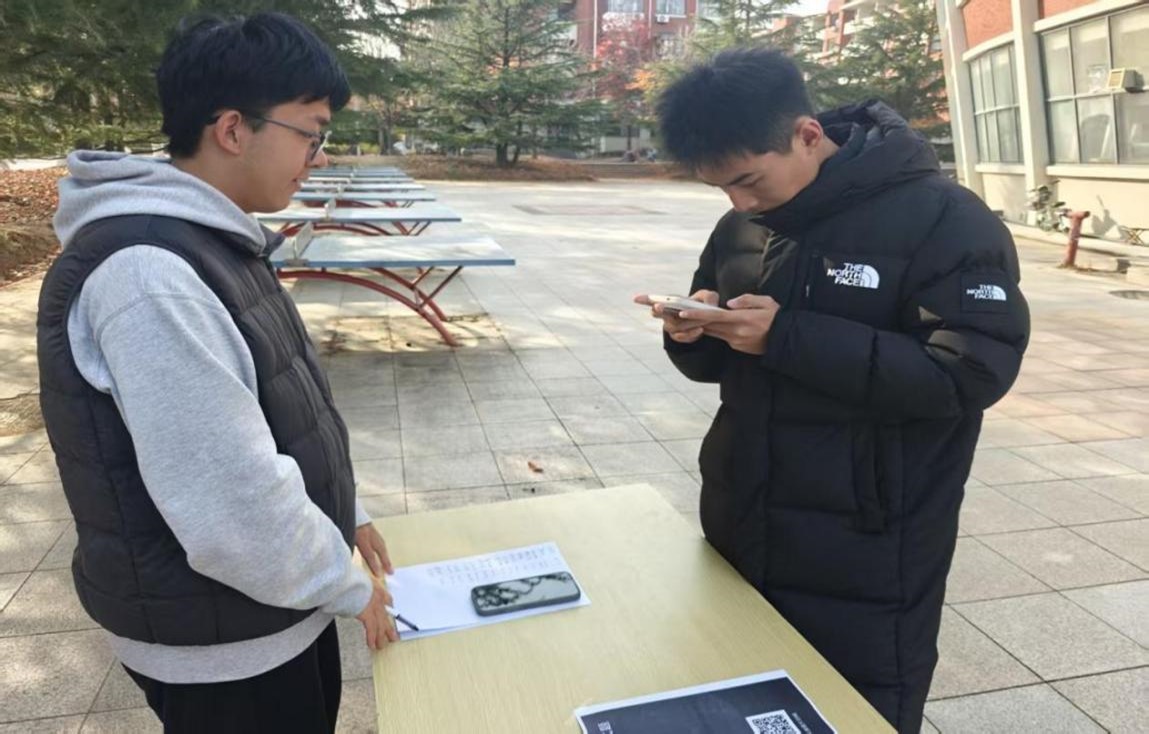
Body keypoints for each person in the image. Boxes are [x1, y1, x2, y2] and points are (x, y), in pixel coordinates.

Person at [637, 47, 1029, 732]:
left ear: (808, 134)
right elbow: (727, 366)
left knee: (856, 709)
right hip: (740, 506)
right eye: (720, 188)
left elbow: (968, 372)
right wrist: (695, 333)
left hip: (869, 534)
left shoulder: (945, 218)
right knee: (742, 696)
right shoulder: (741, 227)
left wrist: (785, 337)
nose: (739, 202)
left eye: (748, 180)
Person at [38, 13, 398, 733]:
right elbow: (229, 502)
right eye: (311, 133)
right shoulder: (150, 275)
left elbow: (273, 412)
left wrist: (344, 511)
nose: (319, 155)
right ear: (233, 129)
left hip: (259, 612)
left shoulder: (212, 237)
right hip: (224, 648)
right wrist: (344, 584)